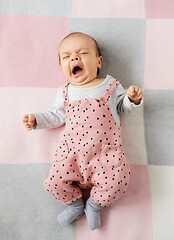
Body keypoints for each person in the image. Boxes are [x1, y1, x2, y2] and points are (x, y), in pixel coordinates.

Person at [22, 32, 144, 231]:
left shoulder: (110, 86)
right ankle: (75, 204)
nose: (74, 58)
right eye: (67, 56)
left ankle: (94, 205)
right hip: (71, 155)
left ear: (98, 61)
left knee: (119, 181)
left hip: (106, 154)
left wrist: (132, 99)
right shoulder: (65, 92)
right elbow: (55, 115)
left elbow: (123, 106)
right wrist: (36, 119)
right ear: (62, 66)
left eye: (82, 53)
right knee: (53, 183)